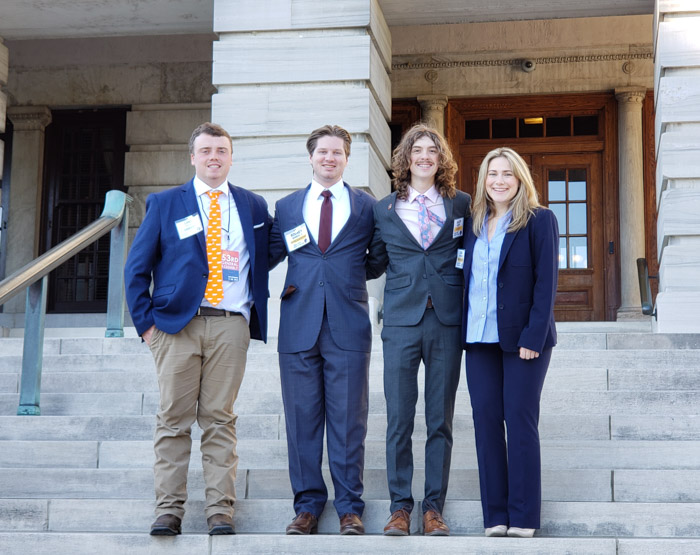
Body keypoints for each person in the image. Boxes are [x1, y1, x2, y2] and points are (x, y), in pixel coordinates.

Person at [124, 122, 271, 536]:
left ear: (230, 157)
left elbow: (268, 252)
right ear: (192, 157)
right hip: (176, 326)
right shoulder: (166, 203)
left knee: (220, 419)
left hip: (230, 325)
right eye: (205, 151)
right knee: (174, 419)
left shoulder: (253, 206)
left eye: (221, 151)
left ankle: (219, 511)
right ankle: (168, 510)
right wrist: (146, 327)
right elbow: (136, 270)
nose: (213, 158)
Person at [269, 124, 378, 536]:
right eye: (322, 152)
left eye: (337, 153)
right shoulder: (287, 207)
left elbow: (378, 257)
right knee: (301, 421)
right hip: (298, 325)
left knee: (350, 420)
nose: (329, 158)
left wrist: (345, 281)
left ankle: (350, 507)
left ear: (347, 158)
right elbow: (270, 255)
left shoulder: (367, 207)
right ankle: (308, 507)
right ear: (310, 157)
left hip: (348, 325)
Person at [367, 124, 471, 536]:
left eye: (432, 150)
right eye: (417, 150)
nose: (424, 156)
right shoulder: (384, 209)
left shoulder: (461, 203)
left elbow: (474, 254)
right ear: (405, 158)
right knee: (399, 419)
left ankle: (433, 509)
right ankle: (399, 508)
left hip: (446, 321)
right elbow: (372, 261)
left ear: (441, 158)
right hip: (400, 321)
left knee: (440, 420)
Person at [461, 147, 558, 538]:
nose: (499, 181)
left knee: (519, 422)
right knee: (485, 424)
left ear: (520, 180)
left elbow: (546, 281)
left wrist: (533, 335)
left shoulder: (539, 220)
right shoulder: (471, 224)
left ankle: (523, 517)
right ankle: (495, 516)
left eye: (507, 174)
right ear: (483, 180)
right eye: (492, 174)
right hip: (477, 339)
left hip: (523, 340)